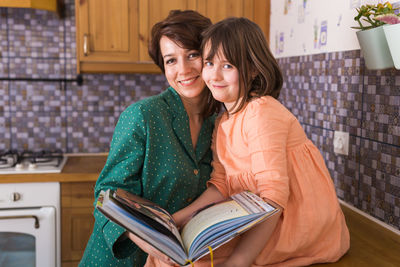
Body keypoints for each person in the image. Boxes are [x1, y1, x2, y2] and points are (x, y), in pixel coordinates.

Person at [146, 17, 350, 267]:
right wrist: (176, 219)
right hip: (259, 218)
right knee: (167, 253)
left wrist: (238, 262)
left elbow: (273, 197)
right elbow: (220, 184)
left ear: (253, 69)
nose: (215, 75)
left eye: (228, 65)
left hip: (296, 222)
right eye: (209, 62)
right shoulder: (223, 122)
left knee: (192, 262)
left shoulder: (262, 111)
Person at [79, 10, 220, 267]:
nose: (184, 69)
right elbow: (105, 194)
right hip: (121, 259)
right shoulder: (143, 116)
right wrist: (149, 243)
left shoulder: (220, 123)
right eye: (171, 60)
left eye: (192, 54)